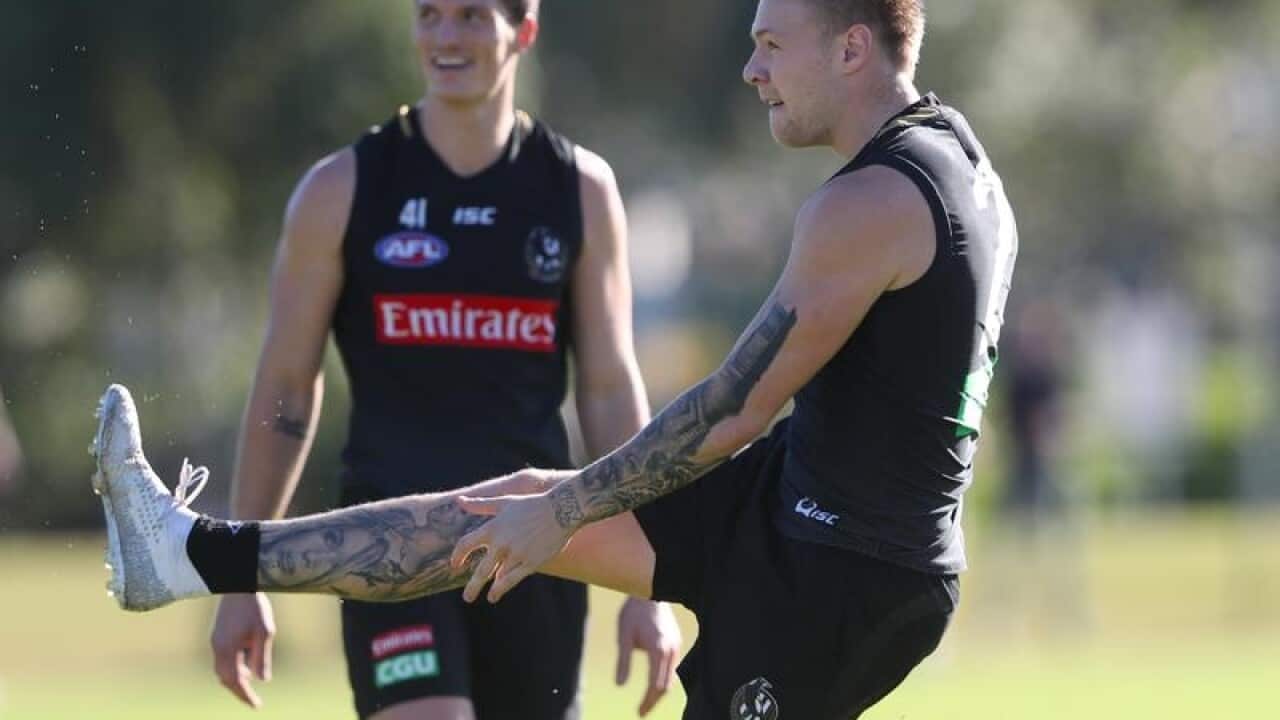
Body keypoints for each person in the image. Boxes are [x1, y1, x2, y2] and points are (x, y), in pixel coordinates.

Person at [92, 1, 1017, 717]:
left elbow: (731, 408)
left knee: (538, 507)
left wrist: (569, 509)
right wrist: (557, 506)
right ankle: (187, 553)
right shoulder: (959, 158)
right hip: (793, 504)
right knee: (501, 506)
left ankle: (192, 556)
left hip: (837, 570)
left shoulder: (865, 205)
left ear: (851, 49)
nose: (750, 69)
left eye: (772, 45)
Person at [202, 0, 679, 718]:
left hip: (537, 543)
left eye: (469, 16)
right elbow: (286, 388)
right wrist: (243, 576)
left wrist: (652, 581)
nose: (445, 37)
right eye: (429, 14)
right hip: (389, 548)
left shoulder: (579, 188)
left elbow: (609, 390)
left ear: (523, 31)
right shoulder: (341, 189)